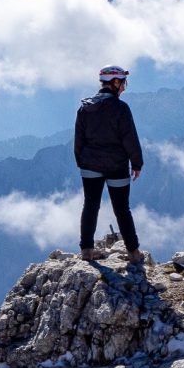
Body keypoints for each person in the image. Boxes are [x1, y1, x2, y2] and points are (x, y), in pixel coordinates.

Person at [75, 65, 144, 263]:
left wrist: (82, 162)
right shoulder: (121, 108)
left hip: (90, 165)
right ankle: (133, 252)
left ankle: (87, 250)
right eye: (123, 83)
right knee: (122, 209)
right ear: (115, 82)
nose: (124, 87)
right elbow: (130, 138)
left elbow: (79, 140)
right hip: (117, 166)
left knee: (90, 205)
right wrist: (137, 163)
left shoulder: (85, 108)